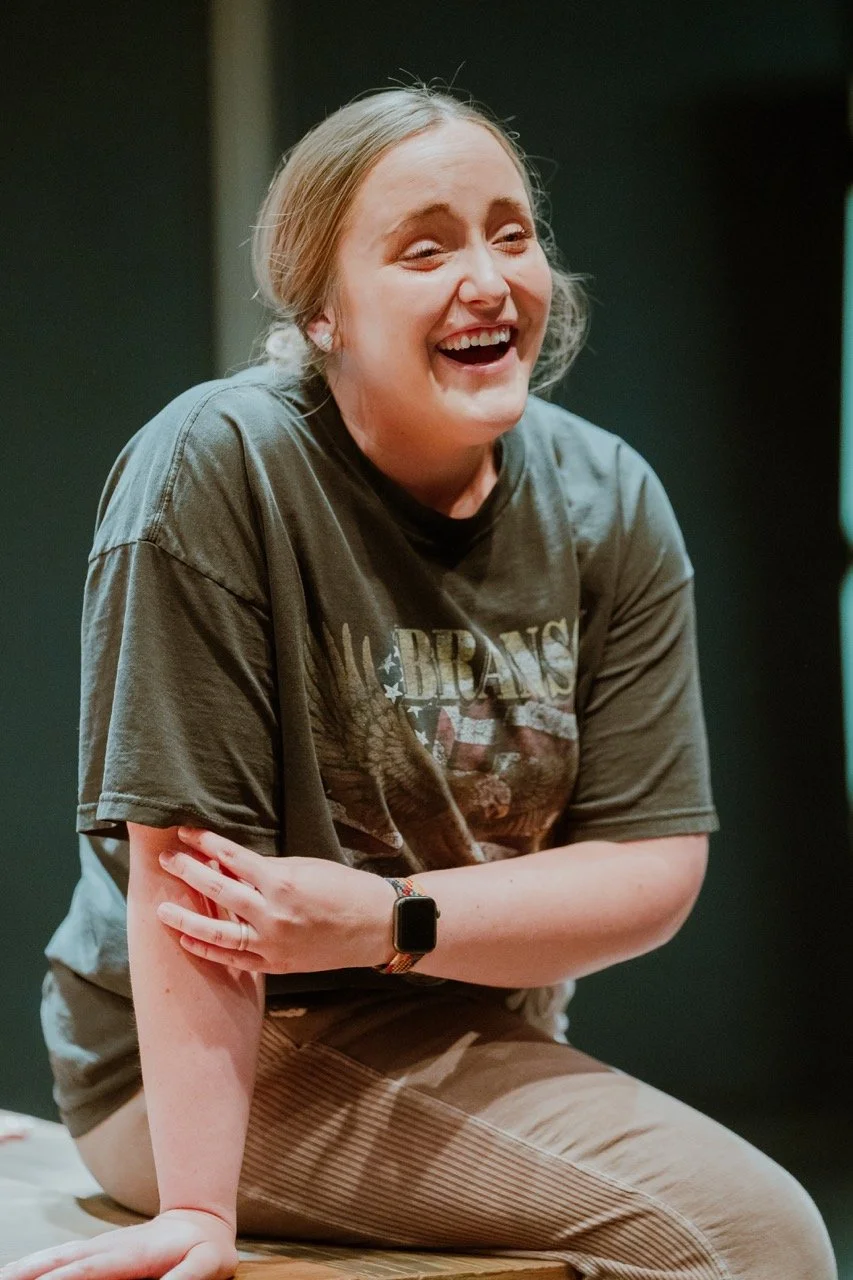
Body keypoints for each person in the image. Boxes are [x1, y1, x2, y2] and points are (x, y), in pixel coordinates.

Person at [7, 86, 837, 1280]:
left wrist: (386, 919)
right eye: (426, 247)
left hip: (457, 1021)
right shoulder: (218, 463)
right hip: (215, 1059)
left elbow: (652, 865)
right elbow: (189, 883)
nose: (489, 278)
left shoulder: (609, 497)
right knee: (752, 1236)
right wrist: (198, 1210)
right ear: (322, 312)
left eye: (511, 232)